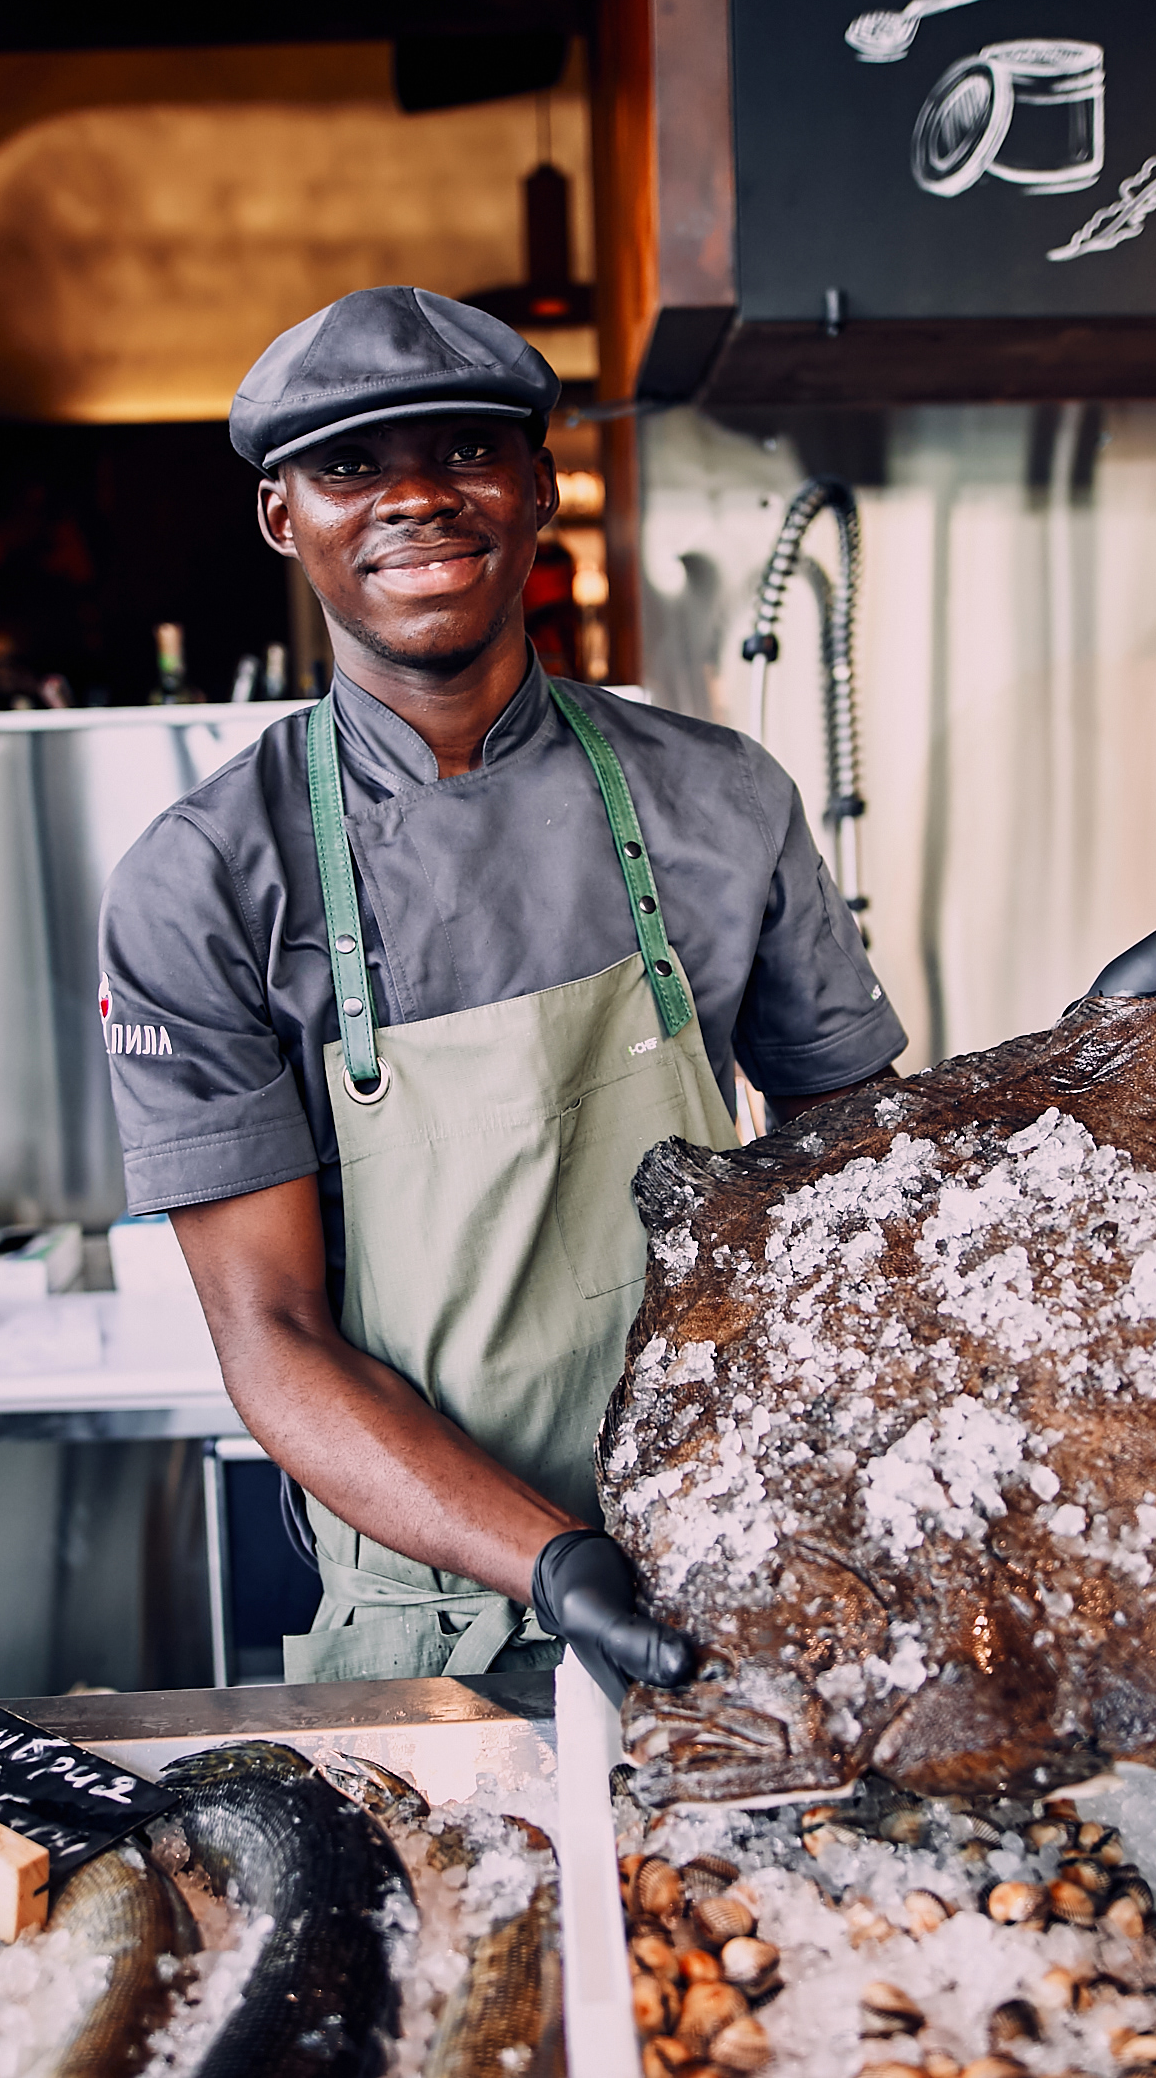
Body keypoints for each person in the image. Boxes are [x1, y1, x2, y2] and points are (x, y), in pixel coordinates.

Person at [96, 289, 905, 1690]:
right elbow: (270, 1335)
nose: (416, 495)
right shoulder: (204, 880)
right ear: (283, 517)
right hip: (427, 1622)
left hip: (739, 1558)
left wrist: (1109, 1055)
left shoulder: (721, 800)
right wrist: (553, 1556)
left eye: (467, 449)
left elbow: (863, 1176)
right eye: (350, 465)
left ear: (541, 490)